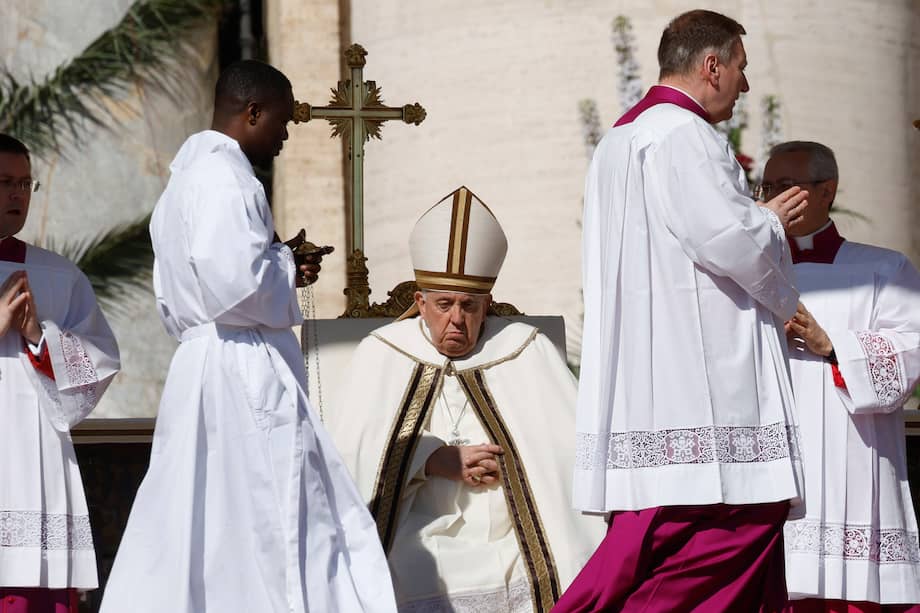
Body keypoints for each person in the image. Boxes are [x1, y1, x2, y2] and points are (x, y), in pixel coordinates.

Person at [99, 60, 397, 613]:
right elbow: (235, 287)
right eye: (280, 124)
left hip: (205, 364)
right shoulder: (224, 179)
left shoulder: (183, 185)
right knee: (271, 511)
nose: (285, 137)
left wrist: (282, 258)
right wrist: (285, 265)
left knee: (206, 516)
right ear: (252, 111)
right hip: (241, 366)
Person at [556, 10, 814, 613]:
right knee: (737, 522)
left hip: (650, 383)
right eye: (741, 70)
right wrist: (772, 221)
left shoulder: (619, 140)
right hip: (704, 389)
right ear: (712, 65)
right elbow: (729, 242)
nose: (744, 87)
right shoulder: (685, 135)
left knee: (658, 539)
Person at [327, 186, 604, 612]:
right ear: (420, 303)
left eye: (469, 305)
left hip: (514, 536)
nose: (457, 318)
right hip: (412, 529)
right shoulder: (381, 352)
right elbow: (348, 459)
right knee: (409, 571)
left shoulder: (525, 348)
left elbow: (568, 455)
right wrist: (432, 459)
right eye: (443, 304)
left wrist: (512, 460)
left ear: (486, 303)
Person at [760, 141, 920, 613]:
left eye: (787, 186)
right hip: (774, 453)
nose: (773, 197)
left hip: (852, 446)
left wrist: (834, 346)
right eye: (767, 187)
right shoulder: (749, 271)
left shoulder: (882, 269)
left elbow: (912, 345)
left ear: (826, 190)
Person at [0, 133, 121, 613]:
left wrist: (39, 337)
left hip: (33, 459)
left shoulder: (58, 275)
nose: (17, 195)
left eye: (26, 184)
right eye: (5, 182)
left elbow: (99, 363)